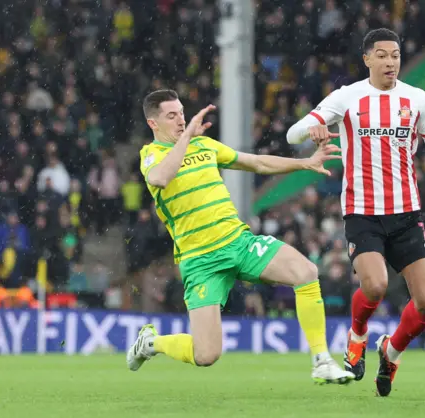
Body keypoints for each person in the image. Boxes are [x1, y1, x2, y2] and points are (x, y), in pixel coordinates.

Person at [126, 89, 354, 384]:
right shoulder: (151, 156)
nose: (182, 120)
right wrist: (184, 139)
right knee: (206, 354)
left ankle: (322, 361)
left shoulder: (205, 146)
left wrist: (304, 163)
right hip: (200, 261)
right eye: (172, 116)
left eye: (182, 113)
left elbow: (256, 162)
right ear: (153, 123)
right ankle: (150, 343)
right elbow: (161, 178)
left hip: (239, 243)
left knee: (306, 271)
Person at [286, 28, 425, 396]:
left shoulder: (417, 99)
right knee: (375, 286)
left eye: (395, 54)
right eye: (382, 54)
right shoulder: (347, 97)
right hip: (362, 213)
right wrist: (312, 127)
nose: (390, 61)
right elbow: (291, 135)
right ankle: (358, 334)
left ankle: (390, 352)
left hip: (407, 214)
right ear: (367, 59)